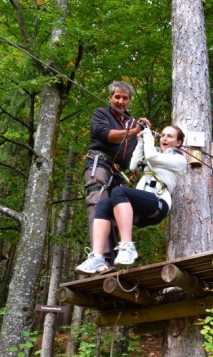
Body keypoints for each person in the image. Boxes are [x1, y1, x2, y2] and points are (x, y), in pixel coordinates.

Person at [76, 125, 186, 274]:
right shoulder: (155, 153)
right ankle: (97, 257)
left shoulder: (178, 158)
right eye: (163, 135)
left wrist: (147, 135)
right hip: (141, 209)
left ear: (178, 143)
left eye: (170, 136)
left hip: (159, 203)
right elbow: (133, 165)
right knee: (104, 204)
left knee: (118, 191)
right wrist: (141, 140)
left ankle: (127, 245)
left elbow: (152, 157)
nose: (164, 138)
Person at [84, 81, 151, 268]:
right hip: (99, 164)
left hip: (118, 173)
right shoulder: (101, 113)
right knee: (97, 202)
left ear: (129, 101)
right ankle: (101, 256)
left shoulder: (132, 122)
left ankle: (113, 261)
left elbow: (138, 152)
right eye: (117, 97)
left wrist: (144, 134)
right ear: (110, 98)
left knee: (115, 212)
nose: (121, 101)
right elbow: (106, 135)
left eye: (125, 98)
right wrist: (134, 131)